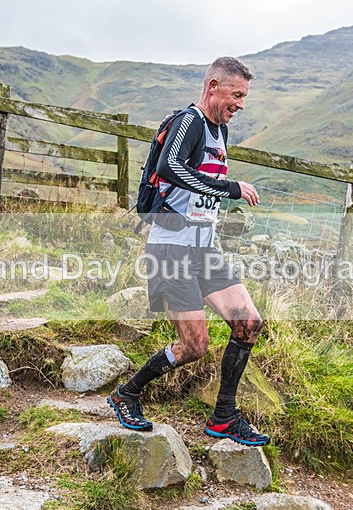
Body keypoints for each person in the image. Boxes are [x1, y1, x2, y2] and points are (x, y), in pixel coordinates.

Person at [109, 57, 269, 446]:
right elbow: (169, 168)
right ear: (213, 86)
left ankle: (223, 418)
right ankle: (126, 393)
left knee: (248, 323)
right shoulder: (190, 121)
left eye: (244, 97)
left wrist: (220, 196)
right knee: (194, 346)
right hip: (171, 249)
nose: (241, 104)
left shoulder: (219, 131)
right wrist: (231, 188)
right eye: (237, 95)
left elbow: (199, 185)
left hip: (204, 248)